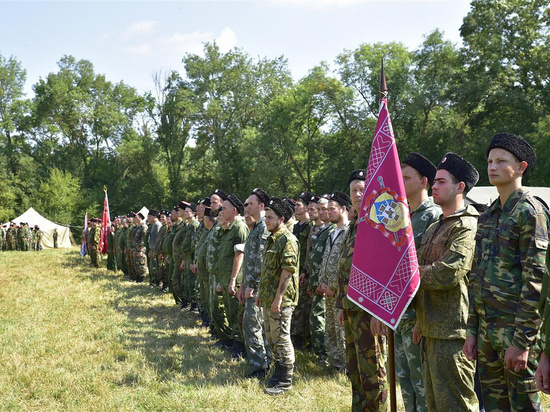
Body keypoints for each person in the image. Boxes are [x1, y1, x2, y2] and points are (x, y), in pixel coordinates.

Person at [465, 133, 548, 411]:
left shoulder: (530, 212)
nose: (492, 166)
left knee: (524, 406)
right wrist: (473, 331)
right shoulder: (489, 215)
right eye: (490, 161)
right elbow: (477, 278)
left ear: (521, 167)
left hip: (515, 334)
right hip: (489, 334)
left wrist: (522, 342)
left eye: (501, 161)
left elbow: (535, 281)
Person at [415, 152, 480, 411]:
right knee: (435, 404)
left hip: (454, 332)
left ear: (460, 187)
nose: (435, 185)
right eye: (435, 181)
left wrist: (410, 275)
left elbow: (448, 273)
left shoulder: (467, 225)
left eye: (441, 181)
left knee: (458, 404)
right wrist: (420, 320)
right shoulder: (435, 226)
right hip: (430, 328)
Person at [337, 169, 388, 411]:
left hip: (369, 309)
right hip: (350, 308)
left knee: (373, 370)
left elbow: (382, 268)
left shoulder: (376, 222)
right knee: (355, 367)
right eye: (353, 191)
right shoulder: (354, 223)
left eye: (362, 190)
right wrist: (340, 305)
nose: (358, 195)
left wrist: (380, 311)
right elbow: (345, 267)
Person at [396, 152, 441, 412]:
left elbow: (427, 270)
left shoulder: (432, 216)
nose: (400, 182)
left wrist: (420, 318)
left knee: (422, 382)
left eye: (406, 178)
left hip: (418, 315)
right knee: (406, 380)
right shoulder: (401, 217)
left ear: (424, 182)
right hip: (400, 313)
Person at [258, 197, 299, 395]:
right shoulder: (272, 238)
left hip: (282, 300)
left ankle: (285, 380)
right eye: (266, 217)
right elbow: (267, 270)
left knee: (281, 338)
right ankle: (278, 372)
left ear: (281, 219)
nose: (266, 221)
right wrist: (262, 294)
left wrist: (278, 298)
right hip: (268, 297)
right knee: (271, 337)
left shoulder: (288, 240)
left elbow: (287, 270)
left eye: (270, 218)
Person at [239, 188, 271, 378]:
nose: (247, 207)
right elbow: (249, 261)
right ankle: (261, 363)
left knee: (253, 325)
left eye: (250, 204)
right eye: (246, 204)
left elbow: (261, 260)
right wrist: (243, 284)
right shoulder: (255, 228)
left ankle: (261, 366)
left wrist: (253, 285)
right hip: (250, 285)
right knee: (253, 324)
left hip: (258, 288)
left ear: (261, 206)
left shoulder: (264, 228)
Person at [319, 191, 351, 372]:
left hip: (339, 293)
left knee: (341, 331)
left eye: (332, 209)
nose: (329, 212)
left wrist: (336, 289)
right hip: (327, 290)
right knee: (330, 329)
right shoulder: (332, 232)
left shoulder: (348, 233)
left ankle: (347, 367)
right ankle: (335, 364)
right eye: (328, 209)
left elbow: (345, 265)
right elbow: (327, 259)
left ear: (343, 209)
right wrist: (322, 283)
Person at [217, 194, 249, 358]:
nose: (221, 211)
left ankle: (240, 347)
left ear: (235, 210)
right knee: (230, 312)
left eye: (224, 208)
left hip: (235, 280)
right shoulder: (230, 228)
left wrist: (233, 280)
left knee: (237, 314)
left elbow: (239, 255)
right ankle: (235, 343)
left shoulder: (239, 227)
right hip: (226, 278)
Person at [307, 194, 334, 364]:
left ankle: (325, 354)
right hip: (315, 279)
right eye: (320, 209)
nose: (322, 212)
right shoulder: (324, 229)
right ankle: (324, 353)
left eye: (325, 209)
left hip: (324, 282)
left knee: (320, 318)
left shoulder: (333, 230)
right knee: (317, 317)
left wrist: (321, 281)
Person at [291, 191, 314, 349]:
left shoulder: (310, 226)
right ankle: (296, 336)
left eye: (299, 205)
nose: (295, 208)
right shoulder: (296, 227)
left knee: (303, 307)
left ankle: (303, 339)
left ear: (307, 208)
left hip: (303, 273)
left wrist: (305, 271)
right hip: (294, 271)